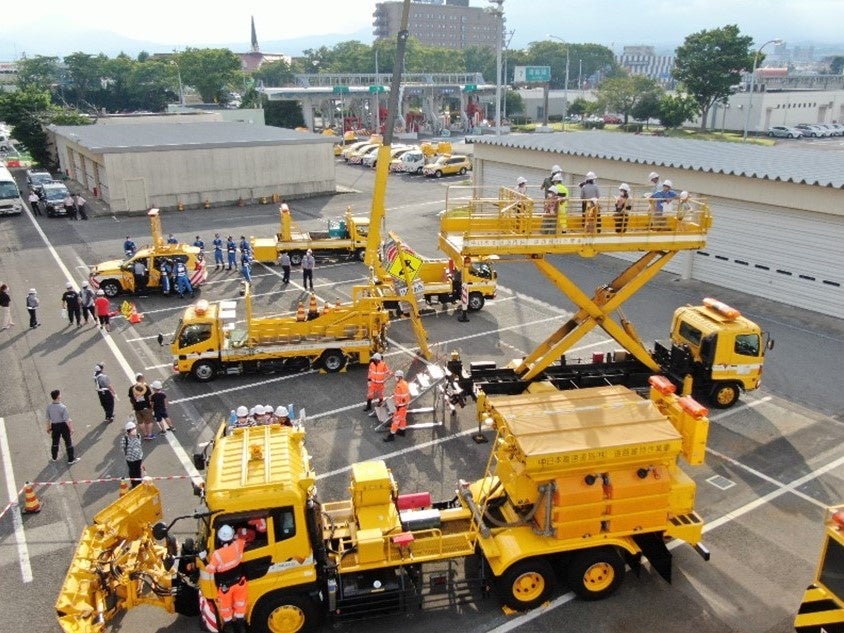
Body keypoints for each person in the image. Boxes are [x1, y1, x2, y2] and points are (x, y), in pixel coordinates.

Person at [204, 524, 248, 633]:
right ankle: (241, 625)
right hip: (240, 583)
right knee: (240, 603)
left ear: (219, 539)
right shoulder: (238, 545)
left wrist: (203, 559)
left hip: (225, 587)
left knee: (226, 607)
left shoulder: (217, 554)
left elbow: (210, 569)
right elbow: (245, 537)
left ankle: (228, 626)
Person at [46, 389, 79, 464]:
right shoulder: (63, 407)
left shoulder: (49, 407)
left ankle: (54, 457)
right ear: (58, 397)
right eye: (60, 394)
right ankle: (71, 459)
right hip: (63, 426)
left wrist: (48, 428)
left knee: (55, 442)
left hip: (54, 426)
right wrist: (71, 428)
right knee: (68, 442)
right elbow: (67, 420)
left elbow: (47, 419)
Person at [384, 370, 410, 442]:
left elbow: (398, 397)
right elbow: (406, 395)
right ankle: (402, 431)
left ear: (399, 377)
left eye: (396, 377)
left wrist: (396, 405)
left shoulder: (399, 386)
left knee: (395, 421)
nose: (395, 378)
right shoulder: (405, 383)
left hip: (400, 407)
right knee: (402, 419)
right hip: (404, 406)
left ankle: (391, 436)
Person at [129, 373, 156, 440]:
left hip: (137, 408)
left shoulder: (132, 388)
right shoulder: (146, 387)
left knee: (140, 422)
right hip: (146, 407)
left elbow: (131, 399)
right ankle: (149, 435)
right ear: (142, 378)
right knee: (149, 421)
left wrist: (133, 405)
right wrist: (151, 405)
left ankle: (145, 434)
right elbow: (150, 397)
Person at [121, 420, 144, 487]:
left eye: (135, 428)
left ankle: (139, 483)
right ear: (129, 431)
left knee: (138, 470)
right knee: (132, 471)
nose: (135, 430)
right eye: (133, 429)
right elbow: (123, 447)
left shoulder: (138, 436)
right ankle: (133, 484)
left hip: (138, 457)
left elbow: (139, 445)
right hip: (130, 459)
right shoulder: (125, 439)